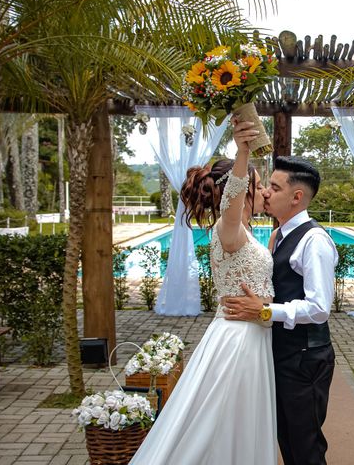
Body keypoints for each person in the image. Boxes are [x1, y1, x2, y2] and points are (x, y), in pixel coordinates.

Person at [129, 119, 276, 465]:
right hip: (237, 341)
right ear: (238, 193)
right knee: (220, 424)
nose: (264, 190)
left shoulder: (245, 233)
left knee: (238, 423)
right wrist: (242, 153)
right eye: (257, 184)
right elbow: (232, 202)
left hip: (251, 336)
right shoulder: (227, 230)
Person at [224, 156, 338, 465]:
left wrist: (264, 311)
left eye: (274, 187)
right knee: (287, 440)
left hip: (306, 358)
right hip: (285, 354)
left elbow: (319, 308)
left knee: (305, 446)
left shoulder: (314, 241)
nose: (265, 193)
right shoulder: (281, 236)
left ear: (297, 197)